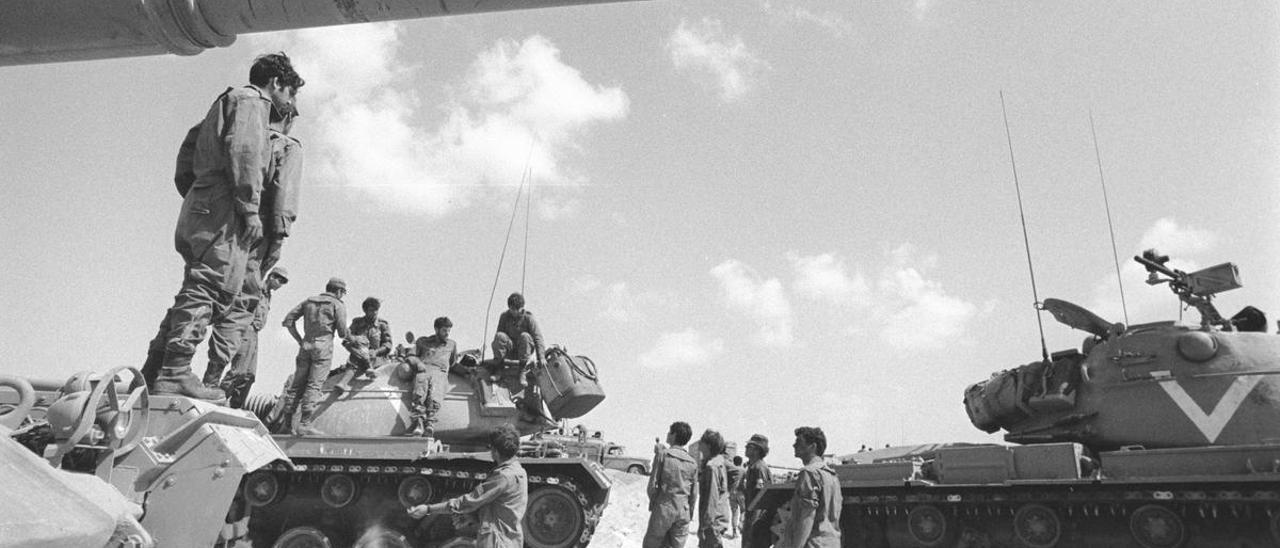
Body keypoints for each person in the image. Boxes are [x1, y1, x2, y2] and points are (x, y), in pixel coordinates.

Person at [141, 53, 304, 400]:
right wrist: (246, 209)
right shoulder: (253, 101)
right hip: (225, 208)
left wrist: (200, 196)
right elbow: (246, 154)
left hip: (204, 203)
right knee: (210, 287)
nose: (288, 104)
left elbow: (186, 157)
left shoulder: (224, 101)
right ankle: (174, 373)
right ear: (276, 84)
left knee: (195, 286)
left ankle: (155, 370)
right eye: (290, 95)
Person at [198, 104, 303, 395]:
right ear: (288, 118)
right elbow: (284, 194)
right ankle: (210, 380)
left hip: (213, 225)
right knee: (241, 303)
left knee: (198, 295)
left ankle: (164, 370)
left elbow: (187, 165)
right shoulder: (285, 145)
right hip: (255, 234)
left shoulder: (228, 124)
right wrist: (279, 235)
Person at [407, 423, 527, 547]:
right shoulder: (519, 471)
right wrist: (473, 516)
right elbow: (501, 507)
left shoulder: (503, 476)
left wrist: (428, 509)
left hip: (497, 542)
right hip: (511, 540)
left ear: (495, 452)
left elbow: (469, 501)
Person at [278, 277, 350, 435]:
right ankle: (304, 424)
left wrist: (299, 339)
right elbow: (343, 332)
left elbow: (288, 321)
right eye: (342, 293)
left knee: (296, 385)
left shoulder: (308, 301)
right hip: (323, 347)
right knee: (314, 385)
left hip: (306, 345)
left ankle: (287, 424)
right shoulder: (337, 304)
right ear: (338, 291)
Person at [215, 266, 289, 408]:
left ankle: (236, 407)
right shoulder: (256, 288)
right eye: (280, 280)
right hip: (245, 329)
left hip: (254, 333)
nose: (281, 284)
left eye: (284, 282)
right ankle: (219, 397)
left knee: (249, 375)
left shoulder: (268, 295)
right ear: (272, 277)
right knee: (239, 370)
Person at [780, 427, 841, 548]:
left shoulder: (809, 472)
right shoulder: (832, 475)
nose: (794, 445)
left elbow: (807, 517)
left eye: (799, 442)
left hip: (813, 543)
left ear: (812, 446)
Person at [644, 421, 698, 548]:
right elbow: (694, 493)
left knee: (652, 543)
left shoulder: (663, 455)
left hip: (664, 508)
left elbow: (652, 486)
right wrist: (689, 513)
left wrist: (655, 503)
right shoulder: (692, 462)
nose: (667, 434)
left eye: (669, 432)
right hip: (683, 511)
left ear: (674, 435)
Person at [408, 316, 457, 439]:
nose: (447, 333)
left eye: (449, 331)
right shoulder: (423, 341)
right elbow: (410, 356)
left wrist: (467, 371)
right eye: (444, 330)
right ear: (436, 329)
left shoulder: (451, 345)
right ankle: (418, 422)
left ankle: (430, 422)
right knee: (420, 387)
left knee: (435, 392)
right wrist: (418, 363)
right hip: (424, 368)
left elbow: (454, 364)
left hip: (440, 371)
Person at [492, 292, 546, 375]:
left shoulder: (529, 318)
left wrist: (541, 357)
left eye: (516, 309)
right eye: (512, 309)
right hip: (510, 350)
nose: (514, 312)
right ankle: (499, 368)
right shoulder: (504, 317)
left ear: (522, 308)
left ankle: (522, 371)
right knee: (499, 336)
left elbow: (538, 338)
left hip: (524, 350)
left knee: (525, 336)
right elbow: (499, 338)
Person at [697, 430, 731, 548]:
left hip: (713, 521)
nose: (699, 446)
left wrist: (704, 525)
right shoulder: (719, 461)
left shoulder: (712, 466)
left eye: (701, 442)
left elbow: (712, 498)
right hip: (718, 518)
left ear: (709, 446)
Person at [344, 297, 392, 378]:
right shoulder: (357, 323)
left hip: (378, 359)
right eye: (371, 310)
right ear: (365, 311)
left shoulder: (382, 324)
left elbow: (388, 344)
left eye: (376, 310)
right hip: (357, 359)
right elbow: (346, 340)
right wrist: (357, 351)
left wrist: (376, 352)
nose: (375, 312)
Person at [741, 434, 773, 548]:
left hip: (756, 521)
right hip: (751, 517)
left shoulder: (759, 468)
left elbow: (762, 499)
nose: (745, 447)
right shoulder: (752, 467)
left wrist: (752, 526)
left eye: (749, 446)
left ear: (757, 450)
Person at [727, 455, 745, 539]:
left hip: (731, 493)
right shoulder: (743, 470)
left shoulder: (730, 470)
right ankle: (740, 523)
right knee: (743, 510)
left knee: (734, 513)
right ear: (741, 462)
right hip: (741, 493)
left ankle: (734, 532)